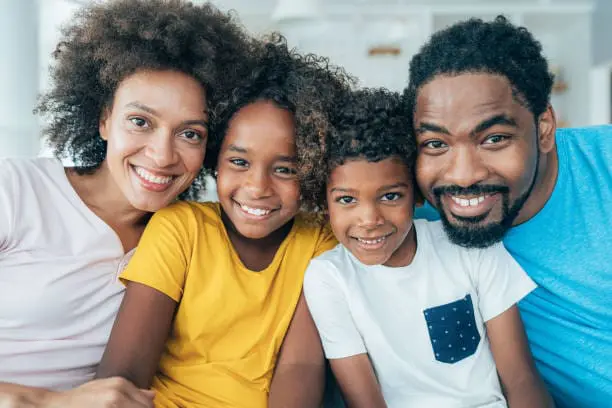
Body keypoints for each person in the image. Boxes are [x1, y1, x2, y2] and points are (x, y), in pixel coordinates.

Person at [0, 0, 256, 406]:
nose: (162, 155)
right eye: (140, 122)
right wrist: (48, 401)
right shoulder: (15, 191)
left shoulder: (187, 240)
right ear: (104, 119)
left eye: (190, 134)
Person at [95, 38, 352, 408]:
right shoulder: (180, 228)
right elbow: (123, 378)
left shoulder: (321, 242)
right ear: (215, 159)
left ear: (313, 170)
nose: (257, 188)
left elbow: (300, 365)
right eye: (239, 162)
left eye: (285, 169)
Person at [301, 88, 553, 408]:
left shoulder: (469, 246)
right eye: (346, 200)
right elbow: (364, 401)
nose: (369, 220)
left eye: (390, 196)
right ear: (324, 204)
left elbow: (521, 378)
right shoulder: (329, 277)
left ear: (417, 192)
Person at [407, 16, 612, 407]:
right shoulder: (407, 223)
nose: (463, 176)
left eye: (494, 139)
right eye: (435, 144)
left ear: (544, 127)